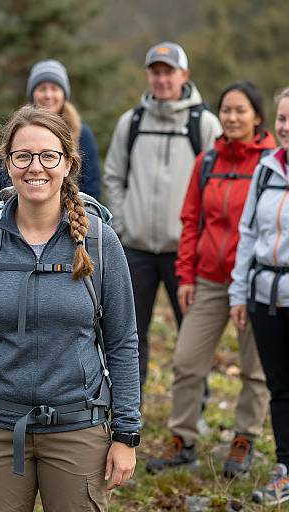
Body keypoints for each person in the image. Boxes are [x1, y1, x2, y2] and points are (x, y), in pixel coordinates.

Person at [0, 105, 141, 511]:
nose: (36, 167)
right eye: (23, 156)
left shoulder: (101, 243)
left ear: (68, 163)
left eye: (49, 156)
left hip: (79, 426)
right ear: (7, 164)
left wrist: (126, 434)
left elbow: (122, 342)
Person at [146, 81, 273, 478]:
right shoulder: (207, 162)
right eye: (227, 111)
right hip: (210, 281)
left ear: (257, 116)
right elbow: (190, 222)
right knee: (186, 362)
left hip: (255, 282)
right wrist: (186, 276)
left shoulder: (270, 162)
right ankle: (182, 440)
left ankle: (244, 440)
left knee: (255, 369)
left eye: (241, 111)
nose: (232, 118)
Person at [103, 42, 222, 399]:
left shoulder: (204, 124)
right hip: (135, 248)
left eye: (168, 71)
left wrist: (199, 238)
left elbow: (215, 186)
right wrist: (123, 226)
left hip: (184, 253)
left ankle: (193, 408)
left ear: (184, 75)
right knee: (129, 333)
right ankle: (128, 404)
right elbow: (114, 176)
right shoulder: (132, 121)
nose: (162, 79)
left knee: (192, 334)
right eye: (155, 71)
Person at [229, 87, 289, 505]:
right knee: (280, 388)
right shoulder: (266, 169)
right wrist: (238, 292)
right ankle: (285, 467)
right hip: (265, 296)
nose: (286, 127)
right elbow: (248, 234)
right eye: (283, 118)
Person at [0, 59, 101, 199]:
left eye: (54, 88)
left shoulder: (82, 133)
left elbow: (92, 185)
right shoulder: (17, 130)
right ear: (33, 94)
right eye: (42, 89)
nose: (48, 95)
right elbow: (3, 182)